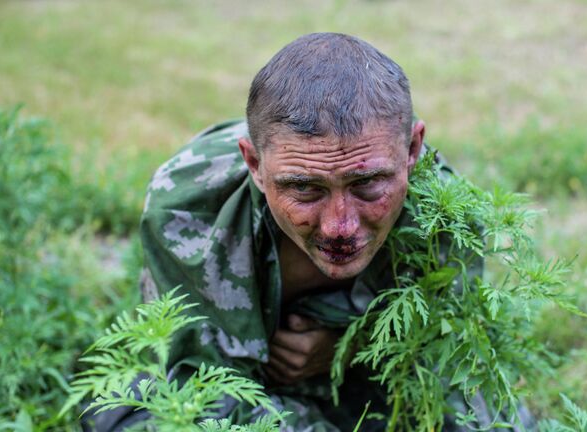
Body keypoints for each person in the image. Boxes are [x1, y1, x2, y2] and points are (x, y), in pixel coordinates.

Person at [85, 32, 533, 431]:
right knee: (126, 408)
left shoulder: (445, 217)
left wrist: (348, 350)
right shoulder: (188, 210)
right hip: (235, 388)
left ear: (412, 150)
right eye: (304, 188)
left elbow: (436, 359)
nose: (341, 226)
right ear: (255, 165)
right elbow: (201, 389)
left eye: (367, 184)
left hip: (358, 379)